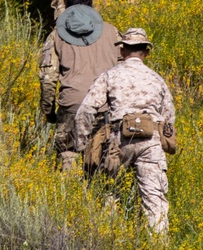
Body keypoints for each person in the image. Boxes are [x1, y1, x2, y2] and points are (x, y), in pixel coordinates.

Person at [74, 27, 177, 234]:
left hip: (118, 140)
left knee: (110, 192)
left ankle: (111, 242)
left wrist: (82, 143)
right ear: (146, 52)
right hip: (151, 141)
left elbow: (85, 110)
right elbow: (169, 119)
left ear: (122, 51)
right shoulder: (157, 79)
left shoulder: (109, 76)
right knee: (154, 199)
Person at [39, 0, 122, 173]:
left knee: (69, 152)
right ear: (92, 10)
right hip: (105, 104)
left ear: (67, 12)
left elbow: (48, 77)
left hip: (72, 103)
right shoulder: (111, 31)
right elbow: (124, 68)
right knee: (105, 153)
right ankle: (106, 197)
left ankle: (70, 194)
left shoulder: (56, 36)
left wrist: (48, 110)